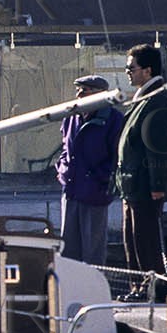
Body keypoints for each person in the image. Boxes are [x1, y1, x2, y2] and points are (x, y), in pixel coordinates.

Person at [113, 45, 167, 300]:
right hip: (132, 185)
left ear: (148, 70)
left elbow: (159, 148)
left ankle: (152, 287)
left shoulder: (157, 102)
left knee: (145, 240)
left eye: (132, 68)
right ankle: (138, 286)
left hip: (144, 186)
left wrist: (157, 185)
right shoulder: (143, 100)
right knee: (132, 239)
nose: (128, 72)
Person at [56, 75, 124, 265]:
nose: (79, 95)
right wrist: (63, 171)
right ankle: (70, 283)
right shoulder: (71, 117)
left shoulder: (113, 120)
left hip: (95, 193)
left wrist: (101, 181)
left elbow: (117, 156)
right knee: (68, 250)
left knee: (93, 251)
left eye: (84, 90)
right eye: (78, 90)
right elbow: (65, 148)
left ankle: (94, 282)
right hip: (71, 191)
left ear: (99, 94)